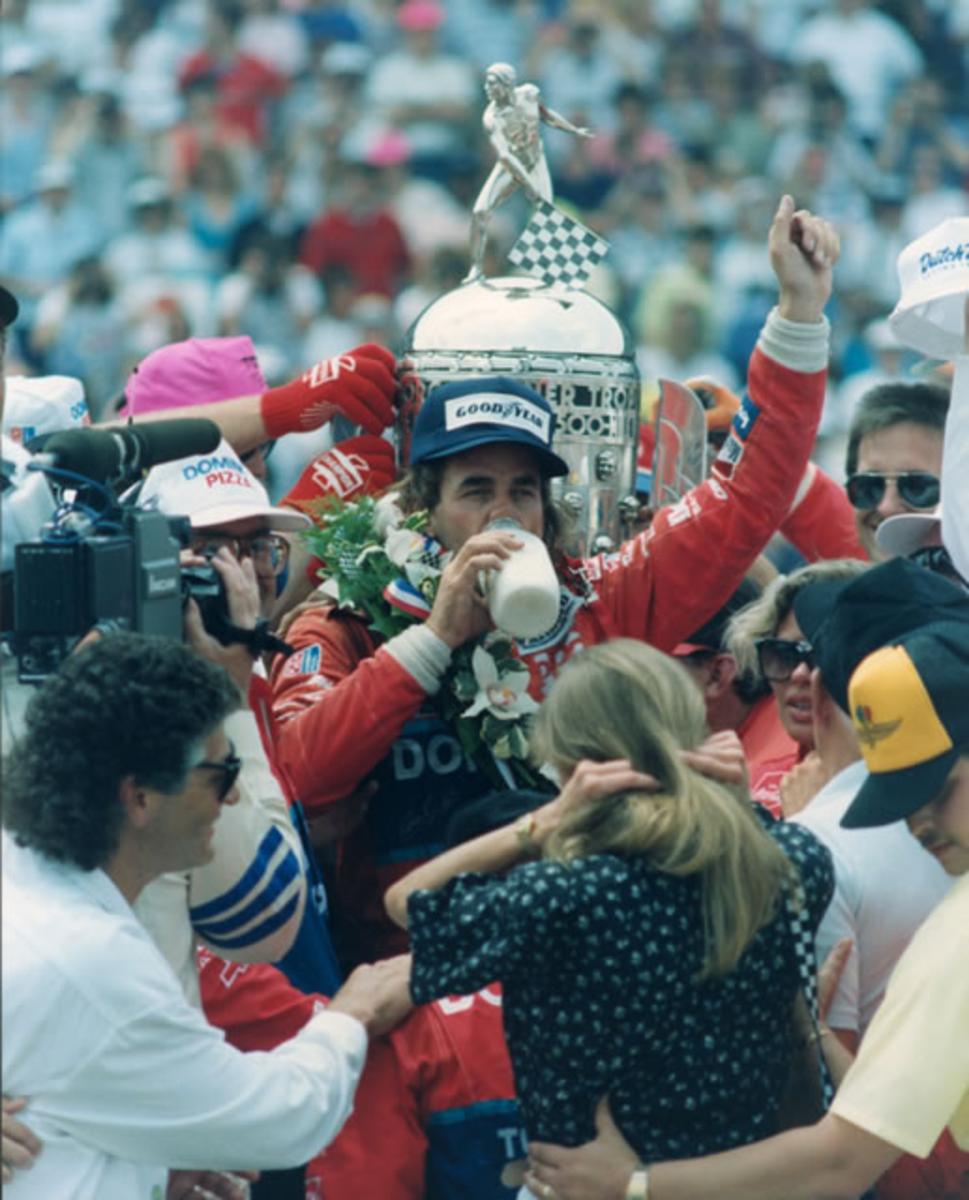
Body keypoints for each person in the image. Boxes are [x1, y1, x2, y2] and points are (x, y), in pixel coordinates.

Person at [270, 194, 840, 966]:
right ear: (423, 503)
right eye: (476, 490)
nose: (505, 513)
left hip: (575, 976)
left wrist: (797, 316)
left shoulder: (600, 597)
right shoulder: (346, 620)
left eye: (523, 490)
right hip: (401, 985)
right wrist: (434, 642)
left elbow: (746, 498)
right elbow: (299, 775)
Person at [525, 615, 969, 1200]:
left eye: (937, 791)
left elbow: (842, 1163)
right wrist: (811, 1031)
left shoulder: (955, 940)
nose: (919, 824)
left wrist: (632, 1185)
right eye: (898, 800)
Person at [386, 639, 833, 1179]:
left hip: (585, 1183)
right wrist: (734, 801)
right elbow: (748, 844)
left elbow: (407, 903)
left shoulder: (561, 896)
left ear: (576, 767)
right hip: (741, 1178)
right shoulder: (794, 864)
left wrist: (540, 824)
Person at [1, 633, 412, 1199]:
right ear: (140, 797)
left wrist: (149, 1169)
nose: (238, 798)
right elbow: (279, 1119)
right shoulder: (98, 964)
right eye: (222, 774)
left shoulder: (19, 871)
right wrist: (352, 1016)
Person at [723, 558, 868, 816]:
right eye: (783, 655)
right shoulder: (759, 775)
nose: (800, 674)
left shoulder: (915, 779)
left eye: (821, 655)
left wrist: (809, 821)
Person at [465, 61, 593, 281]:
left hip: (534, 160)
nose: (488, 88)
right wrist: (528, 183)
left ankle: (556, 279)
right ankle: (475, 269)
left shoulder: (529, 95)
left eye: (493, 83)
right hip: (512, 167)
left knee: (549, 214)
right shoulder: (491, 118)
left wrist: (573, 130)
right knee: (480, 212)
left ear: (507, 84)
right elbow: (505, 157)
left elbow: (547, 115)